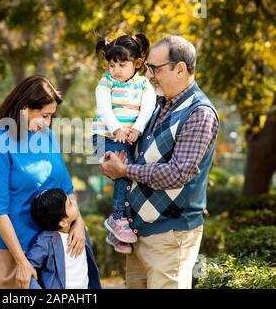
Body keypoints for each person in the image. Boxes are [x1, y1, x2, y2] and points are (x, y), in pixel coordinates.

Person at [99, 35, 219, 289]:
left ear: (180, 68)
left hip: (171, 237)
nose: (149, 74)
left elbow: (178, 173)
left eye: (155, 68)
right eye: (148, 68)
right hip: (138, 234)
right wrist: (113, 162)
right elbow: (138, 155)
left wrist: (125, 170)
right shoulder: (155, 105)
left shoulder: (199, 113)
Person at [0, 75, 86, 289]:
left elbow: (66, 187)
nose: (47, 124)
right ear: (25, 108)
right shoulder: (0, 144)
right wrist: (21, 261)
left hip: (52, 249)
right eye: (45, 116)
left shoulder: (46, 136)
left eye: (51, 117)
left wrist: (79, 223)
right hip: (12, 252)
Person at [92, 33, 157, 253]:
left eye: (122, 64)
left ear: (137, 63)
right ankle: (117, 217)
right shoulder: (106, 82)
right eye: (112, 65)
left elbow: (148, 108)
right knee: (122, 171)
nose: (116, 70)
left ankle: (117, 233)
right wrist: (117, 129)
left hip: (127, 137)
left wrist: (137, 128)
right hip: (104, 137)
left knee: (130, 173)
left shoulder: (143, 85)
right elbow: (103, 109)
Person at [26, 188, 101, 289]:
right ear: (63, 222)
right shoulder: (46, 240)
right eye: (70, 203)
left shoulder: (81, 231)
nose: (74, 202)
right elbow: (28, 268)